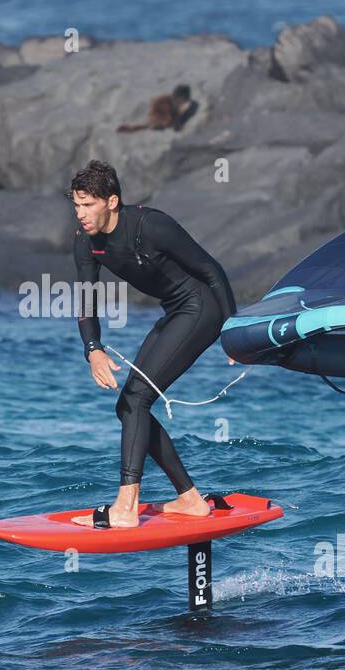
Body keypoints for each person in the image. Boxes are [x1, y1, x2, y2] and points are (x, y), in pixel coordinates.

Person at [68, 159, 237, 528]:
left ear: (111, 202)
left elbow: (211, 270)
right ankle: (191, 500)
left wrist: (231, 331)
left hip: (200, 308)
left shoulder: (151, 226)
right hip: (174, 311)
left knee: (137, 399)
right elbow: (85, 302)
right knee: (129, 407)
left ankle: (126, 507)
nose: (80, 214)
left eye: (87, 205)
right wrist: (92, 349)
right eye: (76, 205)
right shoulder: (86, 242)